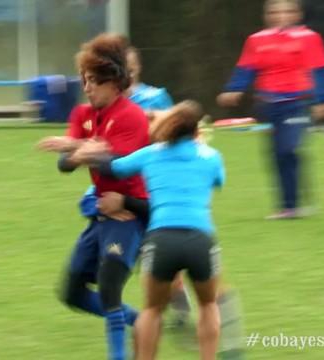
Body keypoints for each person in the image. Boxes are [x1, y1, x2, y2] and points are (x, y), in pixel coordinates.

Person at [71, 100, 225, 360]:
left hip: (161, 240)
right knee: (208, 304)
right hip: (200, 240)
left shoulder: (151, 153)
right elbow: (218, 180)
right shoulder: (211, 157)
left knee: (152, 310)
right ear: (196, 131)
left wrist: (89, 150)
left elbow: (113, 167)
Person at [37, 33, 149, 360]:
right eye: (84, 80)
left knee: (109, 282)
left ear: (114, 82)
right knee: (70, 292)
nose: (86, 88)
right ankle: (139, 320)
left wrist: (82, 150)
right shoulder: (82, 115)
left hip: (130, 215)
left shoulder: (132, 116)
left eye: (94, 81)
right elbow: (64, 164)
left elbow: (118, 168)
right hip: (101, 213)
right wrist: (81, 151)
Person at [79, 46, 193, 327]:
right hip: (121, 185)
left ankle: (171, 297)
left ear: (135, 70)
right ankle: (157, 306)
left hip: (149, 184)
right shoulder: (101, 107)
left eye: (127, 69)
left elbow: (173, 135)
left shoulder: (155, 98)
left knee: (149, 250)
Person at [217, 0, 324, 219]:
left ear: (297, 14)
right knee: (277, 154)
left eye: (287, 11)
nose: (281, 16)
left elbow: (320, 70)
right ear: (267, 15)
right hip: (269, 105)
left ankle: (295, 198)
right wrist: (233, 89)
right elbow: (246, 68)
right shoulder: (256, 40)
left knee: (288, 149)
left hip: (298, 103)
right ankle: (289, 206)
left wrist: (323, 100)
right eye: (275, 11)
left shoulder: (309, 38)